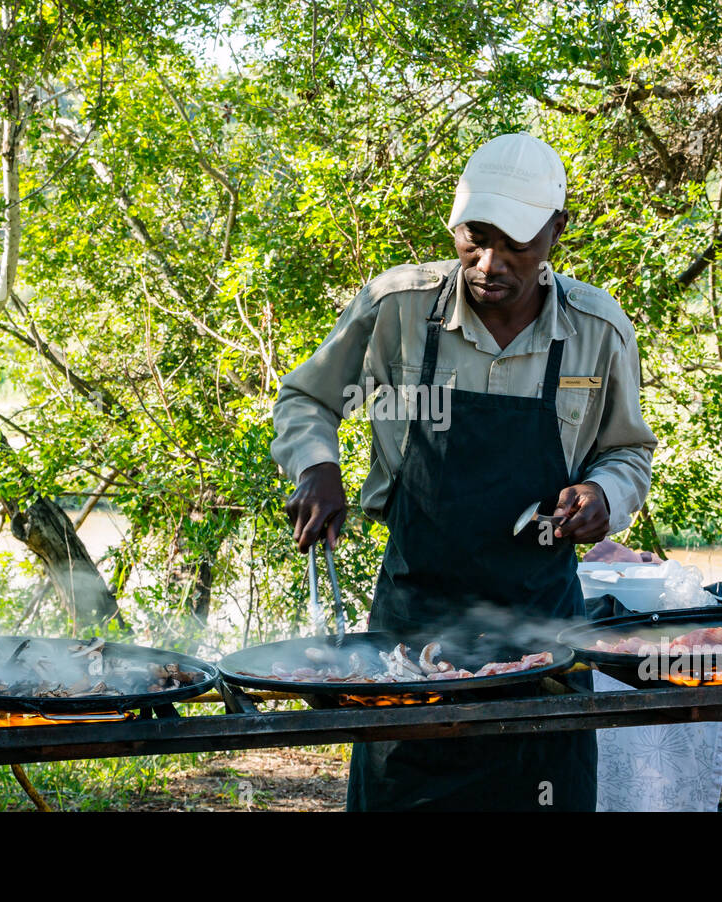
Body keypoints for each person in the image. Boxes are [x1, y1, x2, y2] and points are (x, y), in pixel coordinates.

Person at [271, 132, 658, 811]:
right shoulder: (397, 307)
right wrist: (316, 465)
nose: (489, 265)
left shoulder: (598, 329)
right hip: (412, 625)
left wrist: (603, 492)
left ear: (556, 232)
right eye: (474, 240)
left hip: (543, 634)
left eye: (516, 246)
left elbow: (627, 451)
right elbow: (308, 396)